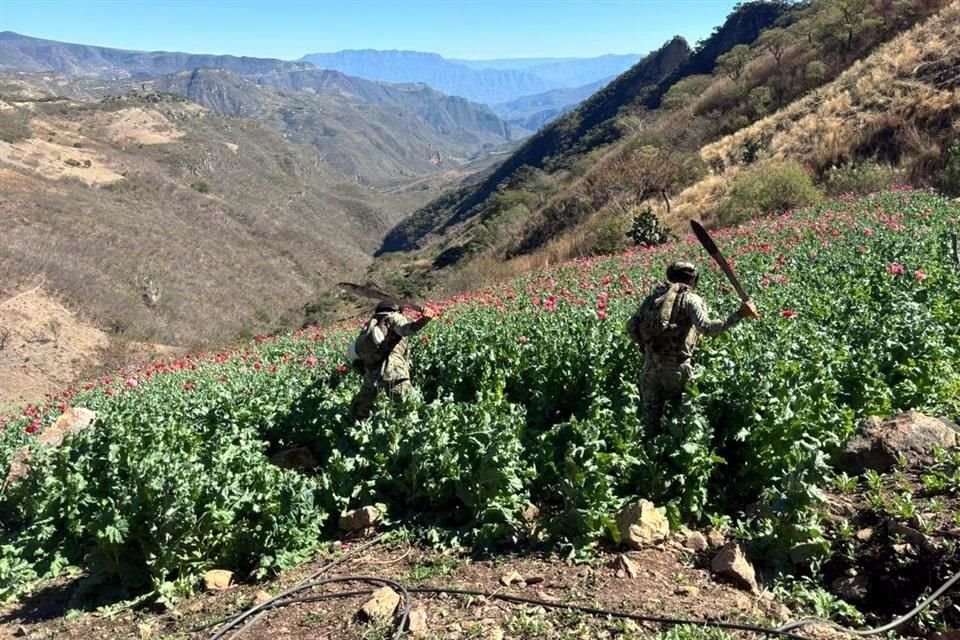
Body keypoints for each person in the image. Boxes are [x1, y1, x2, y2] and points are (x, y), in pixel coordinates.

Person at [628, 261, 759, 431]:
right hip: (676, 369)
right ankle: (677, 454)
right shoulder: (690, 299)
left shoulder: (653, 298)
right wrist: (739, 314)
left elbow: (631, 326)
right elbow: (707, 328)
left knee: (650, 421)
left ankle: (649, 453)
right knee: (684, 420)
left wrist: (644, 347)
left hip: (649, 367)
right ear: (693, 280)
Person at [350, 300, 436, 420]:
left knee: (359, 412)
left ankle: (357, 436)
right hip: (394, 373)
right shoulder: (394, 318)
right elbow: (406, 330)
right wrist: (424, 319)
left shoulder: (371, 324)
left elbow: (355, 355)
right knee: (408, 410)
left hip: (372, 377)